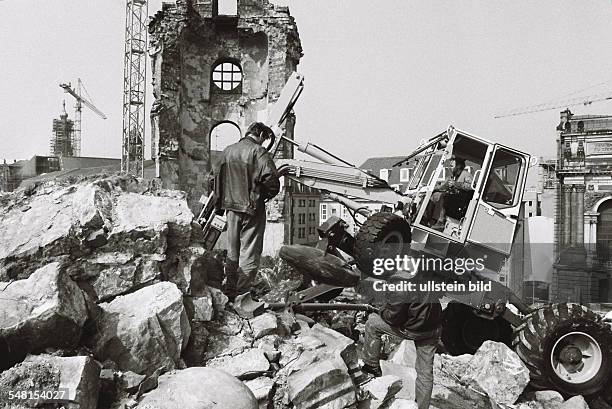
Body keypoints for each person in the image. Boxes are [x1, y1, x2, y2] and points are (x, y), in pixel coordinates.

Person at [217, 122, 280, 301]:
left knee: (232, 252)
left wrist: (222, 203)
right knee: (249, 253)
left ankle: (229, 291)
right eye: (264, 139)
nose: (263, 143)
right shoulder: (258, 152)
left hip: (231, 208)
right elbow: (271, 181)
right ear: (259, 134)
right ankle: (242, 296)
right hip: (252, 208)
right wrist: (263, 196)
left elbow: (214, 179)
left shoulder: (228, 151)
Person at [362, 281, 442, 409]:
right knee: (425, 372)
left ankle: (372, 368)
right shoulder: (430, 271)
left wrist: (381, 310)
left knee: (372, 322)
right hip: (432, 328)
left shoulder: (400, 281)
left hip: (413, 329)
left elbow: (393, 317)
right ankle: (422, 407)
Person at [426, 156, 473, 230]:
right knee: (434, 195)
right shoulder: (452, 176)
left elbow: (470, 187)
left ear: (458, 166)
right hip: (453, 199)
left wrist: (456, 184)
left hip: (461, 202)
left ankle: (441, 221)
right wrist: (430, 188)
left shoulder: (466, 174)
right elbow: (442, 187)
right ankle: (428, 218)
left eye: (452, 165)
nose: (450, 167)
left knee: (443, 196)